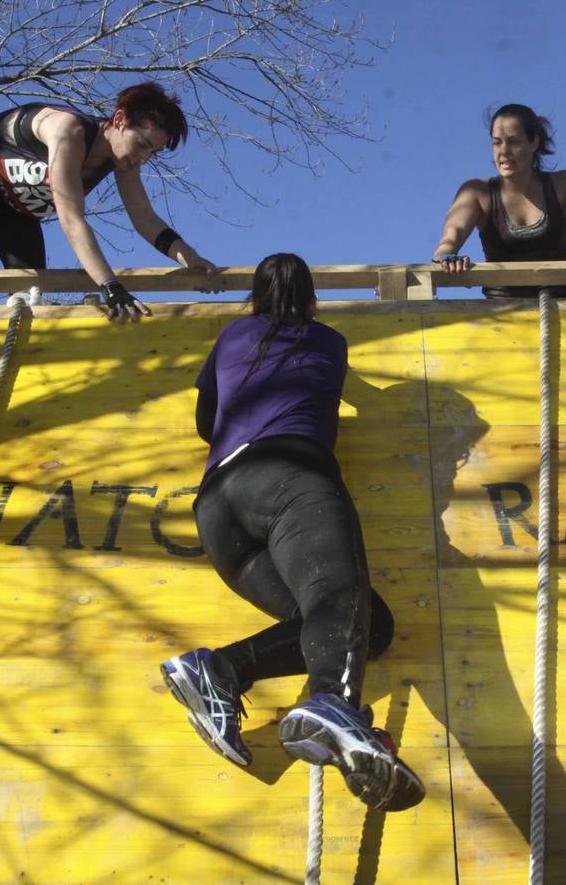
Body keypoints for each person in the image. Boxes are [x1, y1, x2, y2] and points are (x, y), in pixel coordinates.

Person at [160, 253, 424, 813]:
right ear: (312, 301)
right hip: (291, 479)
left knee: (362, 626)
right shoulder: (328, 343)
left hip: (218, 508)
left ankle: (221, 670)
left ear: (254, 300)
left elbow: (207, 423)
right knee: (338, 599)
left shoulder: (233, 337)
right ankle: (334, 701)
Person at [0, 82, 216, 320]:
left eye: (153, 153)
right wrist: (112, 287)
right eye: (142, 144)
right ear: (119, 120)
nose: (142, 158)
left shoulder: (122, 161)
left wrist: (191, 257)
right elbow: (71, 218)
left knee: (29, 293)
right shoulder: (68, 131)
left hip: (10, 207)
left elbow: (145, 219)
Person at [431, 103, 566, 299]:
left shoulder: (564, 185)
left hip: (562, 309)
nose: (504, 151)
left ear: (534, 142)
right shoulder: (476, 192)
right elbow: (452, 235)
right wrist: (445, 256)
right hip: (500, 317)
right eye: (497, 143)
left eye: (514, 142)